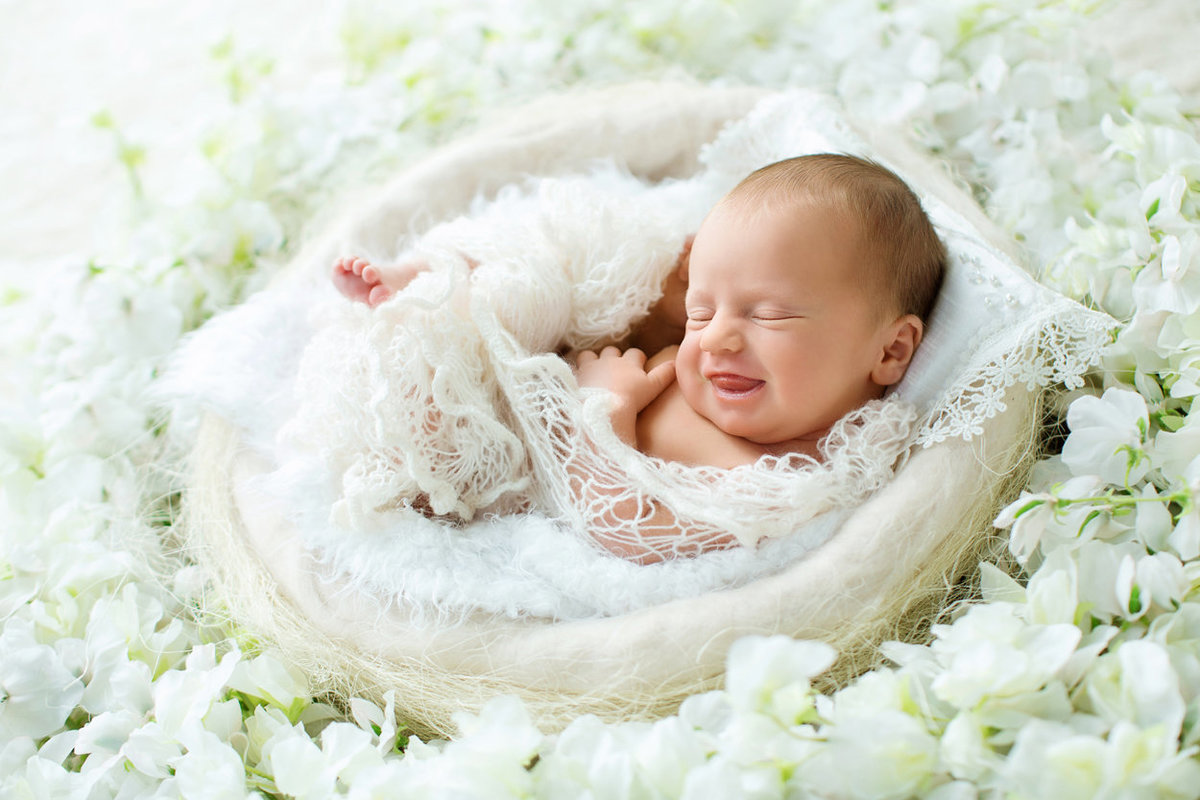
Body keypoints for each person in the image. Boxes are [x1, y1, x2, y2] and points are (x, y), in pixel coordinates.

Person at [332, 154, 945, 560]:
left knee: (435, 411)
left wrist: (604, 408)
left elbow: (617, 520)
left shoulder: (796, 476)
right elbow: (670, 311)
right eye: (707, 312)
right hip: (548, 354)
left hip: (512, 440)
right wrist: (673, 297)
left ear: (890, 351)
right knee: (587, 264)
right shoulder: (716, 355)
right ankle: (433, 274)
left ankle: (424, 316)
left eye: (769, 315)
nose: (716, 341)